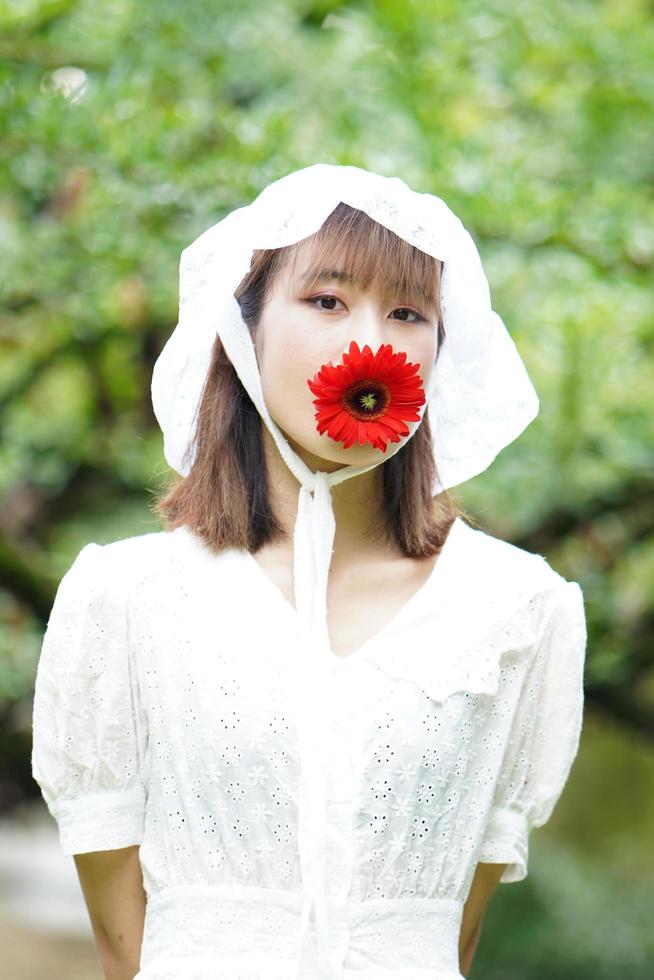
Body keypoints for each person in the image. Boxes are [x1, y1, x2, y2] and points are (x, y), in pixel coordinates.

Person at [31, 164, 587, 980]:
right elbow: (124, 945)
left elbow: (452, 937)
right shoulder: (127, 596)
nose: (372, 342)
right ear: (243, 329)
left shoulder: (517, 608)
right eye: (326, 300)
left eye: (408, 312)